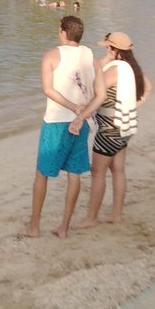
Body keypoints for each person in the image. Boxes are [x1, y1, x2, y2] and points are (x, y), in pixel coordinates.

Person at [20, 15, 97, 239]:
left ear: (63, 32)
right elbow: (95, 86)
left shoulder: (52, 55)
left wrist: (72, 106)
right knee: (74, 173)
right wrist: (83, 110)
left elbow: (48, 89)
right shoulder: (89, 55)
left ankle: (34, 226)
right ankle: (64, 227)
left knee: (42, 173)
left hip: (57, 120)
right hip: (81, 120)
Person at [76, 31, 152, 227]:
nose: (106, 50)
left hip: (110, 129)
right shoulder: (132, 68)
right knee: (118, 169)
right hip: (125, 127)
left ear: (115, 49)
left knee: (97, 172)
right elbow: (148, 87)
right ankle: (116, 214)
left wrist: (81, 116)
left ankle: (91, 218)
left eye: (108, 47)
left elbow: (93, 86)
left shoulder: (114, 70)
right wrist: (132, 105)